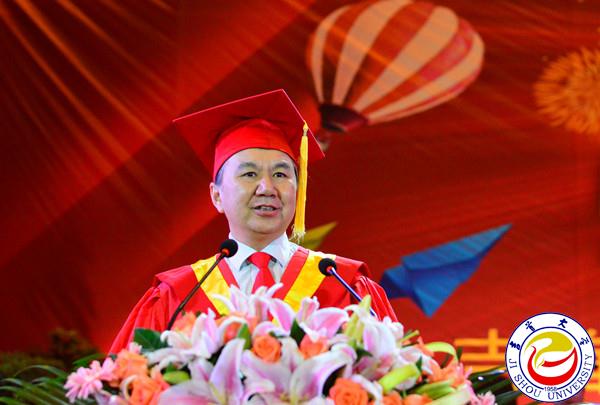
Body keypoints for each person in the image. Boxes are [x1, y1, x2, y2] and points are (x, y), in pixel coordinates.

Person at [110, 89, 396, 353]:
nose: (267, 188)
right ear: (217, 196)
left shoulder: (344, 283)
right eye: (249, 174)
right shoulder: (177, 295)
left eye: (281, 175)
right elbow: (124, 379)